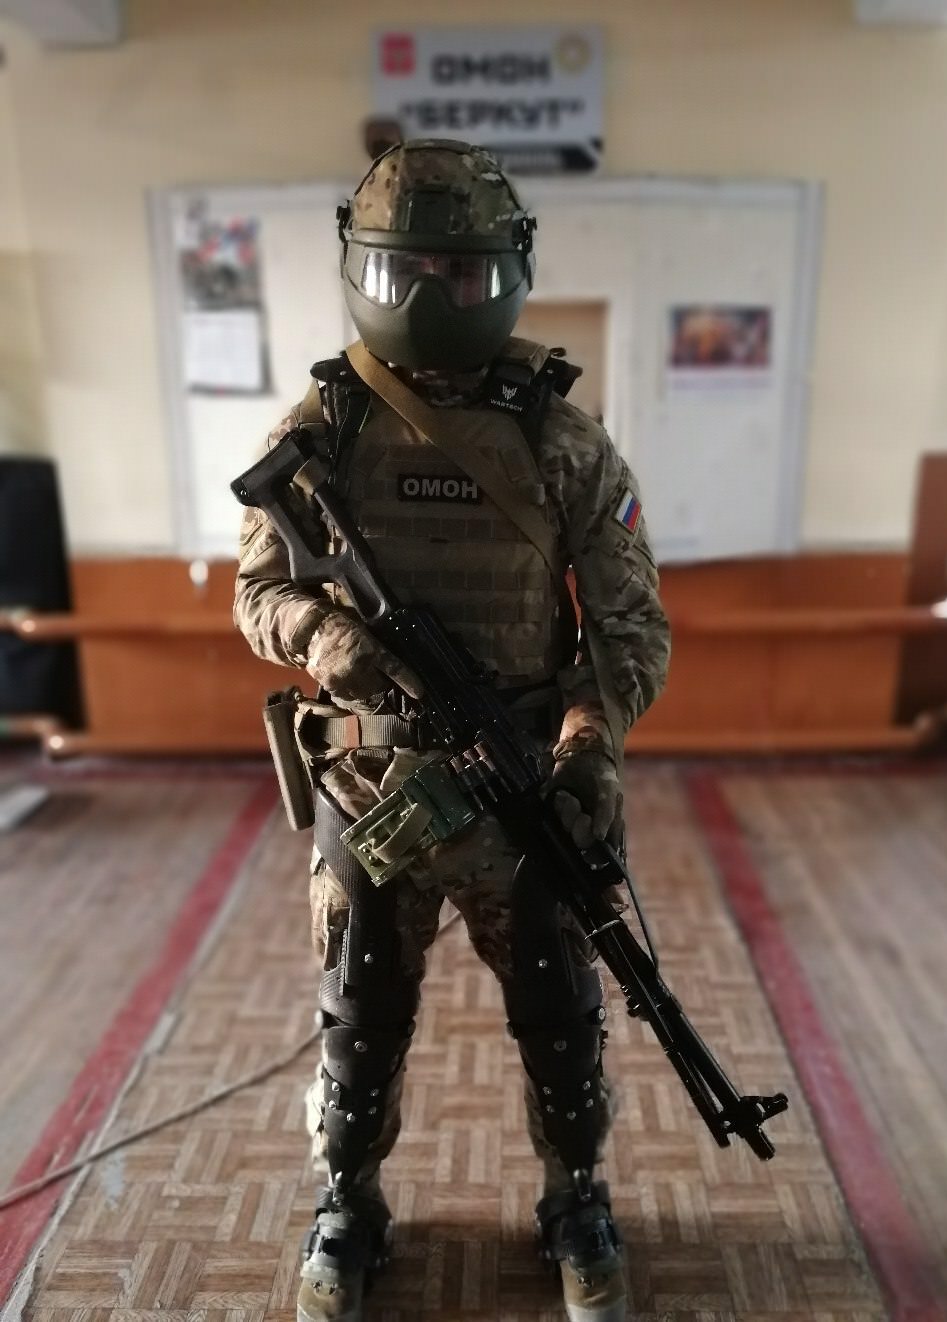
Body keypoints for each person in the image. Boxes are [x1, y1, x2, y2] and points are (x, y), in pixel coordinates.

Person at [233, 138, 670, 1322]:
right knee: (359, 1016)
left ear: (507, 273)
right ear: (361, 271)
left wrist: (586, 741)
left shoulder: (560, 438)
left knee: (561, 1017)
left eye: (460, 275)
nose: (431, 298)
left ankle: (573, 1198)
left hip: (521, 783)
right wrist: (324, 635)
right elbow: (258, 590)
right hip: (370, 785)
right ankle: (346, 1205)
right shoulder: (322, 427)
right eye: (404, 273)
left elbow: (627, 628)